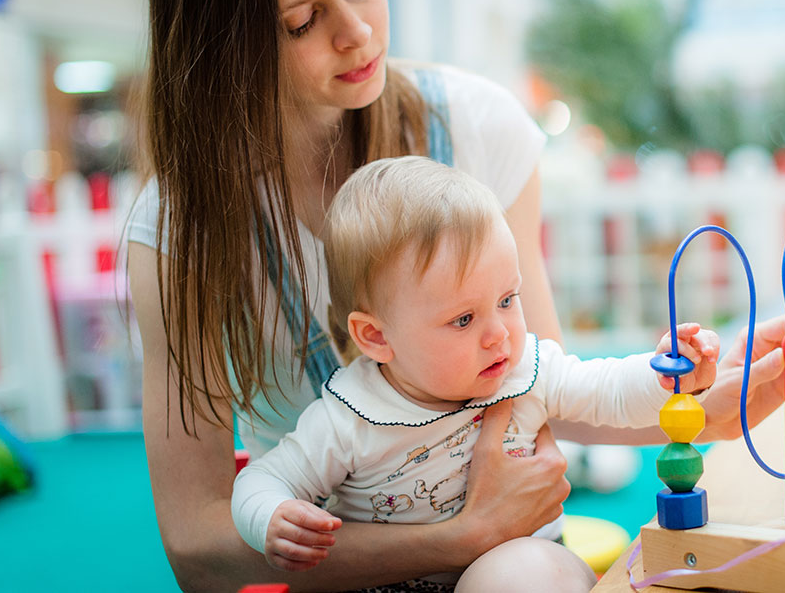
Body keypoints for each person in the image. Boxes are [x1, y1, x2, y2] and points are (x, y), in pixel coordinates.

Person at [128, 0, 785, 590]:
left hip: (509, 560)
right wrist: (461, 532)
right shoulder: (177, 230)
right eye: (303, 20)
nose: (358, 33)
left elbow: (552, 384)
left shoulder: (479, 127)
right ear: (223, 43)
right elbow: (197, 544)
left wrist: (710, 398)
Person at [231, 156, 720, 591]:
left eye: (507, 300)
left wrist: (666, 373)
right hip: (385, 581)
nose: (499, 335)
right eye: (463, 319)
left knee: (535, 573)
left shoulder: (525, 369)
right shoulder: (349, 416)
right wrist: (271, 516)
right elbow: (262, 480)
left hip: (514, 570)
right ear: (377, 338)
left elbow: (608, 392)